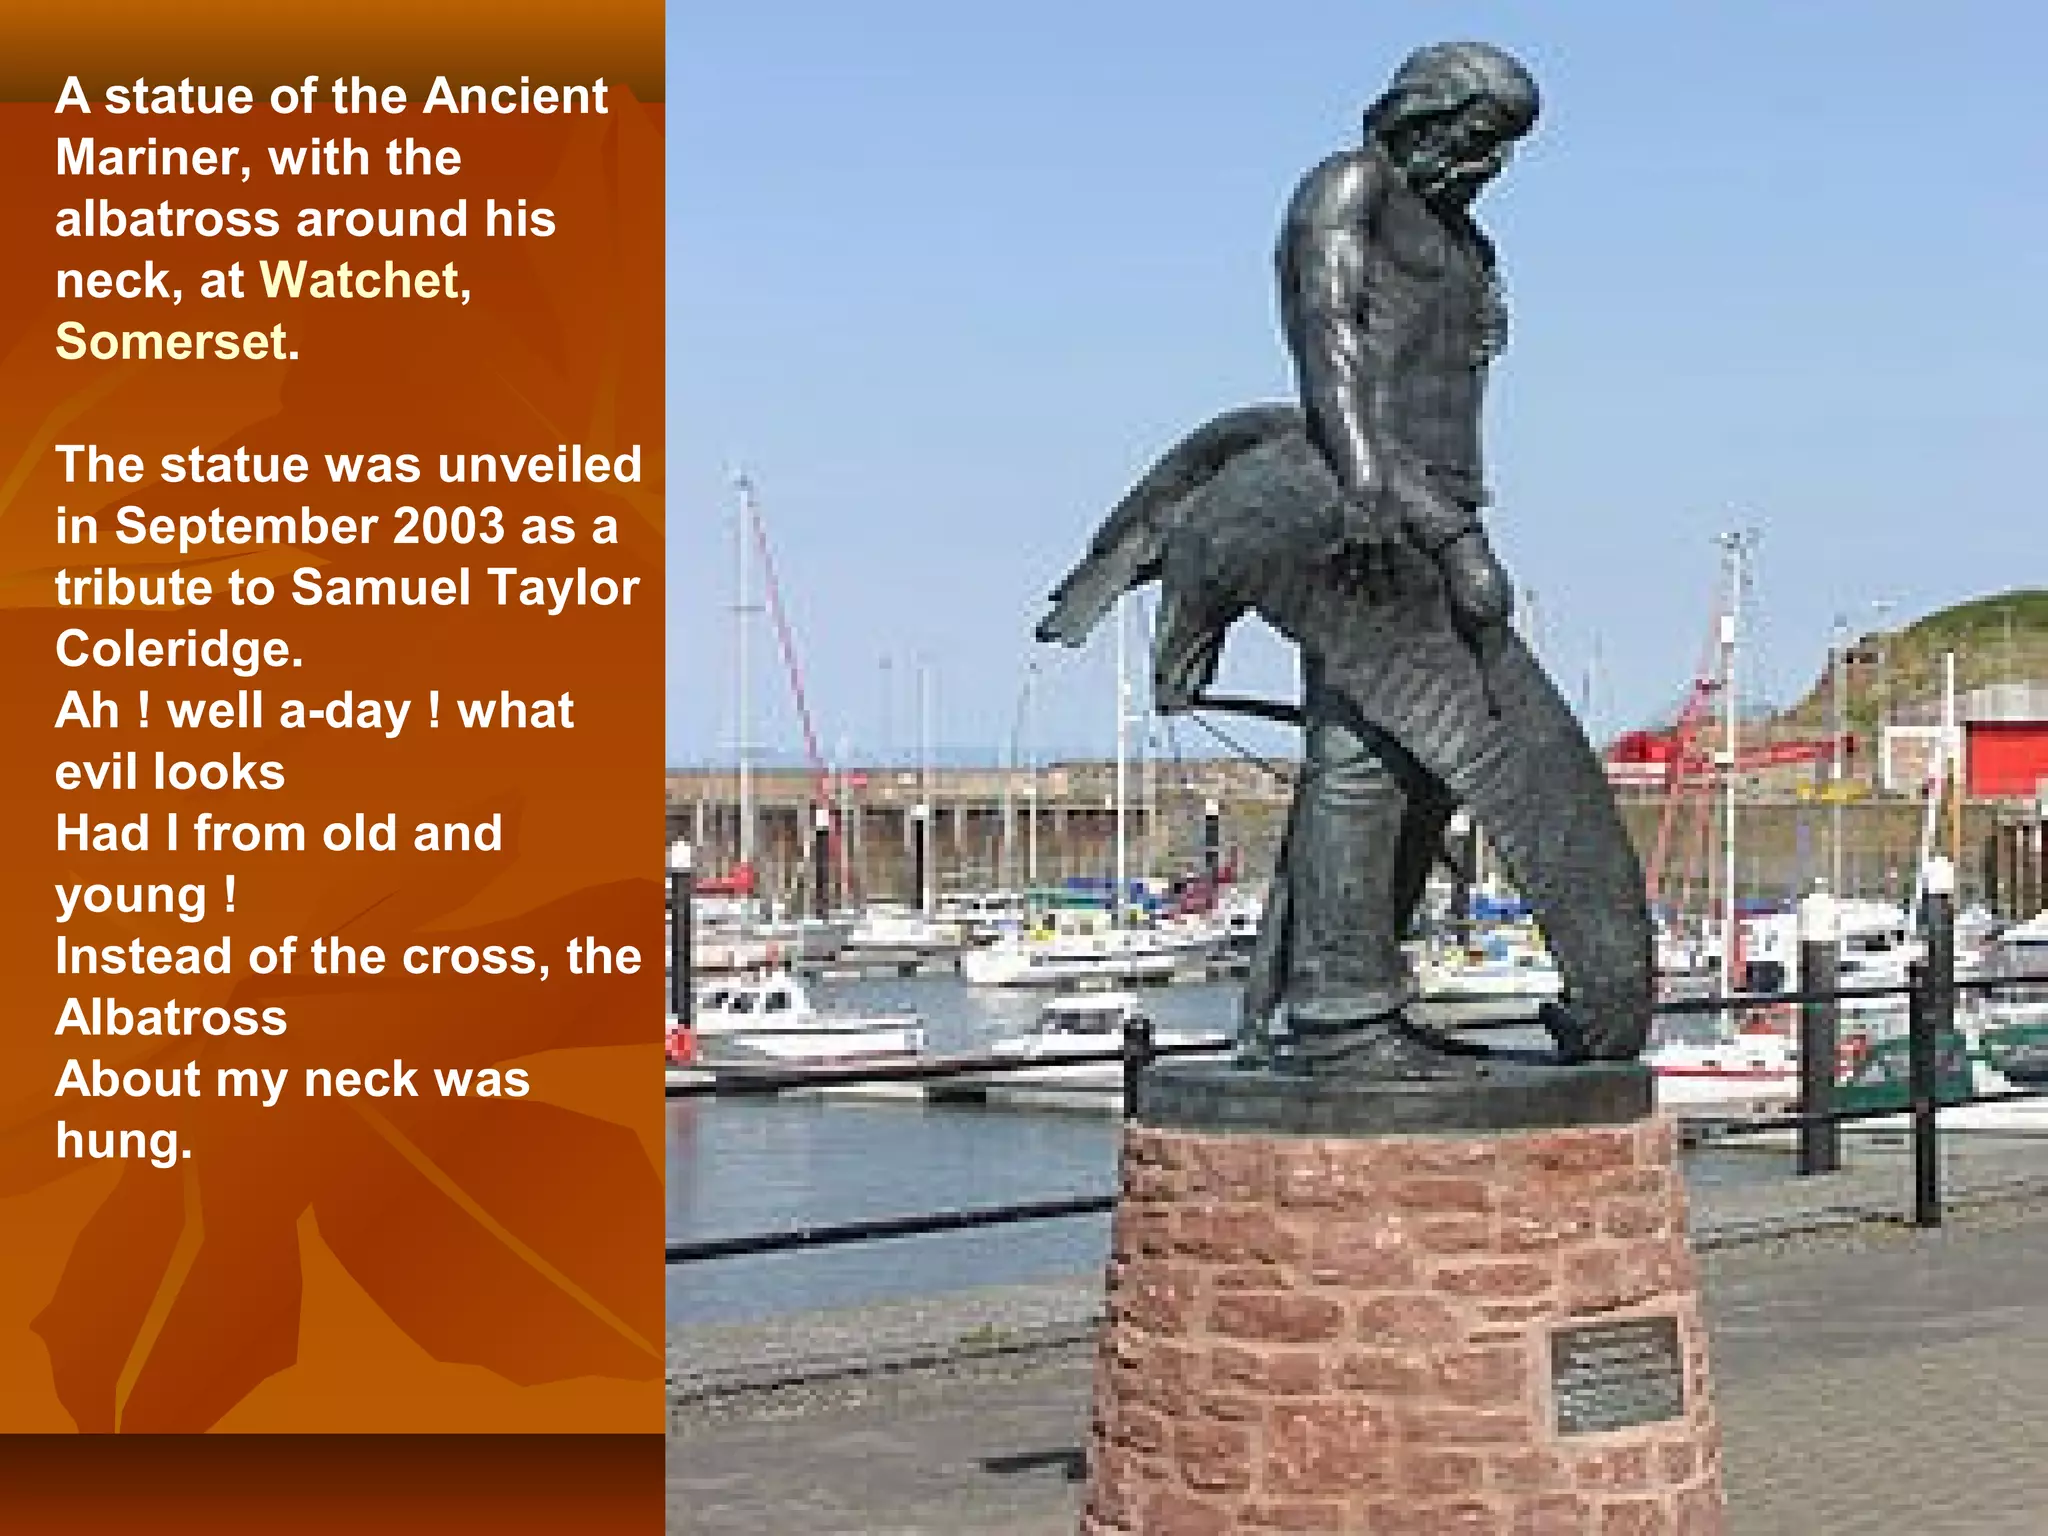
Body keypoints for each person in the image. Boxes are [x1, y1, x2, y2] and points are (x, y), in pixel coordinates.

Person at [1270, 41, 1540, 1070]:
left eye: (1504, 149)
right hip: (1371, 506)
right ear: (1421, 116)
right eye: (1478, 138)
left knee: (1432, 763)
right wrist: (1375, 492)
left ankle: (1365, 988)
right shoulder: (1349, 190)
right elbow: (1328, 344)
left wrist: (1457, 520)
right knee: (1360, 755)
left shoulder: (1460, 233)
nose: (1489, 164)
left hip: (1445, 498)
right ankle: (1336, 1016)